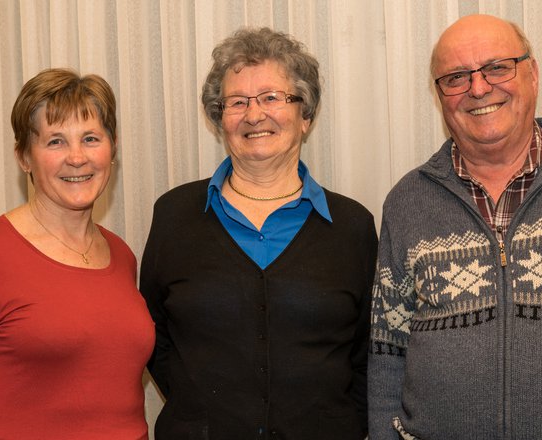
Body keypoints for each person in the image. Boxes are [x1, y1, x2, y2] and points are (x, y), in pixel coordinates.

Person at [368, 14, 542, 440]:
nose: (478, 88)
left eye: (497, 67)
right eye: (456, 77)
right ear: (439, 94)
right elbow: (388, 354)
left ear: (532, 74)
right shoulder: (407, 202)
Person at [140, 27, 377, 440]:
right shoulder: (175, 214)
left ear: (305, 116)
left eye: (271, 97)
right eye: (237, 102)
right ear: (220, 119)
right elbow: (153, 332)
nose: (254, 115)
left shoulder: (352, 226)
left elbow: (368, 351)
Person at [0, 68, 155, 439]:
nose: (77, 158)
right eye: (55, 141)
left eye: (91, 138)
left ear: (113, 149)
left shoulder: (122, 255)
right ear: (24, 157)